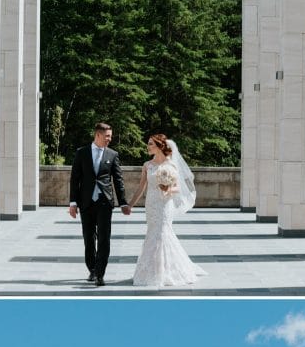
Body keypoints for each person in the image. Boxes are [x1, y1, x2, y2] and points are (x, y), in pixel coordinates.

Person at [129, 134, 207, 289]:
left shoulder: (171, 165)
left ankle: (165, 271)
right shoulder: (147, 165)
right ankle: (151, 271)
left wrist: (168, 189)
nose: (147, 146)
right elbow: (141, 187)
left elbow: (177, 187)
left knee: (163, 233)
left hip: (165, 204)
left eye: (150, 144)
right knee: (152, 233)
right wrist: (130, 205)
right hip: (151, 204)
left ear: (159, 146)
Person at [68, 122, 130, 286]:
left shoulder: (112, 154)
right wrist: (73, 203)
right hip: (86, 202)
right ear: (98, 135)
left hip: (104, 202)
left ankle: (100, 273)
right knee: (89, 238)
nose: (110, 139)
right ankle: (92, 269)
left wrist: (123, 202)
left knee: (104, 238)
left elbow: (118, 180)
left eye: (110, 136)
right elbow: (75, 179)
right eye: (107, 136)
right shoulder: (81, 153)